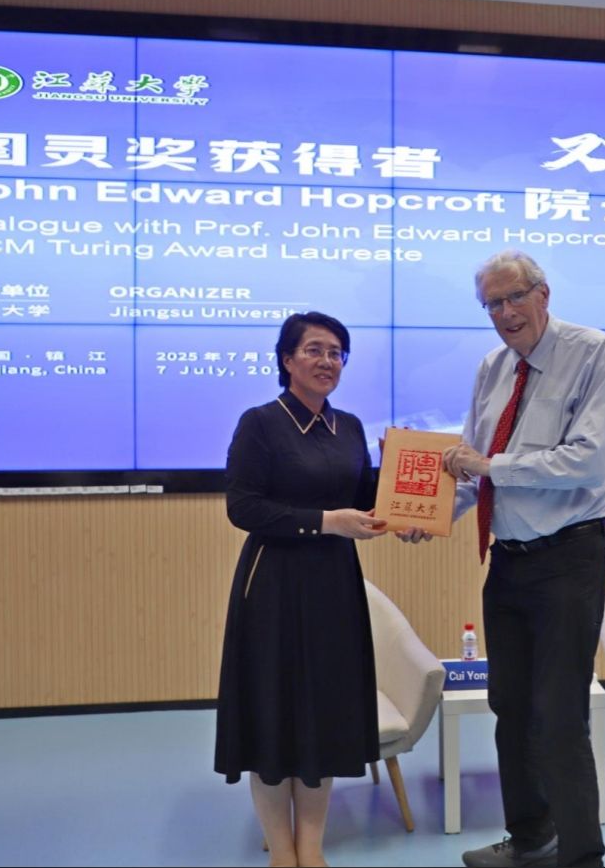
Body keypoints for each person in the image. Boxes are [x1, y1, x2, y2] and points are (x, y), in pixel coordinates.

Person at [404, 250, 605, 868]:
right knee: (511, 708)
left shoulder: (590, 351)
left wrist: (489, 466)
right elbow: (474, 471)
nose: (505, 313)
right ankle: (531, 841)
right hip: (508, 561)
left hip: (569, 556)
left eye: (514, 297)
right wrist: (429, 514)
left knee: (560, 715)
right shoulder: (492, 368)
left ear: (543, 294)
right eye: (492, 304)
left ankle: (582, 858)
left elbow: (588, 459)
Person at [214, 311, 388, 868]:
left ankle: (311, 849)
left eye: (336, 352)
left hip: (334, 584)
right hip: (273, 585)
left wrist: (405, 505)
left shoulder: (351, 427)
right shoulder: (260, 423)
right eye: (314, 350)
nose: (326, 361)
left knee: (322, 715)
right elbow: (244, 507)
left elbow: (365, 502)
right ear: (287, 360)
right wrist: (326, 521)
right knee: (273, 715)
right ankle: (281, 852)